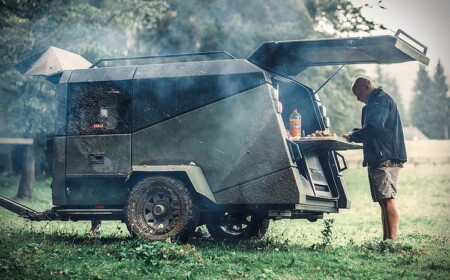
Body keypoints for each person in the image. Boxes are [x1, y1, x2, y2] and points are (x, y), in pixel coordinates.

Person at [343, 76, 406, 241]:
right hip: (380, 156)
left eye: (358, 94)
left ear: (366, 86)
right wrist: (354, 133)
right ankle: (387, 240)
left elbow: (374, 128)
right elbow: (371, 127)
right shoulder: (375, 103)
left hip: (384, 157)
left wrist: (354, 136)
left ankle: (391, 243)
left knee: (388, 199)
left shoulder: (380, 101)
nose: (358, 99)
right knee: (383, 201)